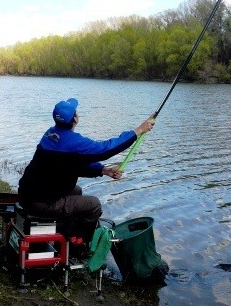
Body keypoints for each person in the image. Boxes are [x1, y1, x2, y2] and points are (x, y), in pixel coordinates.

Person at [18, 98, 154, 243]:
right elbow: (105, 149)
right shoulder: (72, 142)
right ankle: (80, 244)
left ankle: (65, 231)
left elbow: (71, 164)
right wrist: (138, 131)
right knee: (94, 205)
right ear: (75, 119)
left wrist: (104, 170)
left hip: (28, 195)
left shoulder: (51, 134)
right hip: (41, 203)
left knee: (76, 191)